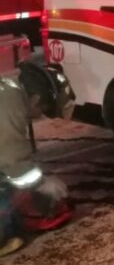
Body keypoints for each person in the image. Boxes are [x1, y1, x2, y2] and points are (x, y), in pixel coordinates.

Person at [0, 70, 73, 256]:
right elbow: (12, 160)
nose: (40, 115)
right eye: (43, 109)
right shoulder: (12, 106)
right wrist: (42, 183)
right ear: (36, 98)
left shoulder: (9, 89)